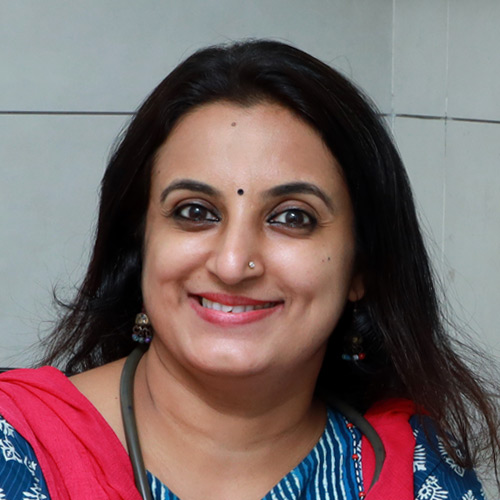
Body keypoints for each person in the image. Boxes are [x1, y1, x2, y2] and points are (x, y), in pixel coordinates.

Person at [0, 39, 498, 500]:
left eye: (292, 218)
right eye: (195, 211)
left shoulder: (416, 473)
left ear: (360, 267)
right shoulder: (19, 451)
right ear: (141, 242)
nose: (233, 264)